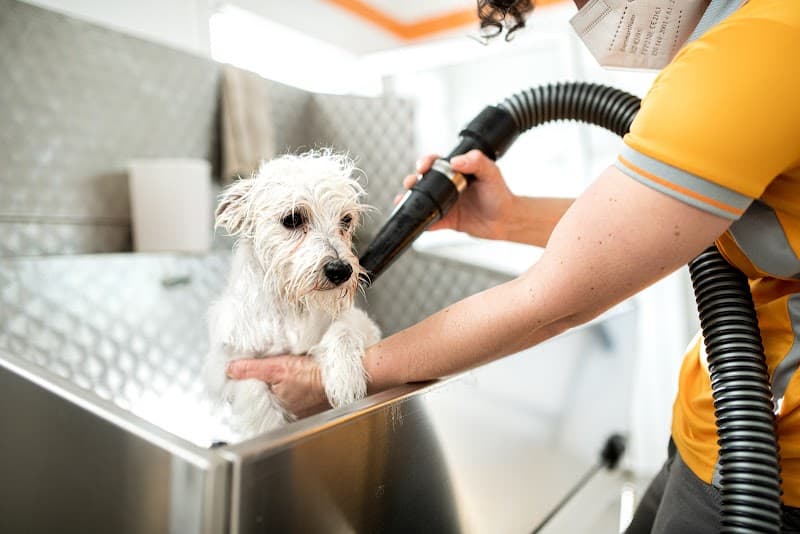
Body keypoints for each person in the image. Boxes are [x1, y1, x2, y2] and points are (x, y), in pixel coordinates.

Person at [225, 0, 800, 531]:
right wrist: (508, 218)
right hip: (716, 412)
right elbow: (659, 227)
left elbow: (552, 301)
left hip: (777, 455)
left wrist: (343, 373)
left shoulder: (752, 51)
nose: (585, 11)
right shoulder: (740, 46)